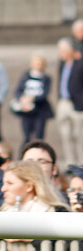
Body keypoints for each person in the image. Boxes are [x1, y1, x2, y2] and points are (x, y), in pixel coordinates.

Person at [12, 54, 53, 143]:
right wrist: (23, 99)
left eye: (40, 63)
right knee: (26, 136)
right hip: (26, 110)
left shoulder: (46, 78)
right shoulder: (25, 75)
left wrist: (33, 98)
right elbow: (18, 90)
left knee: (39, 135)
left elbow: (45, 93)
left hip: (40, 110)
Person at [0, 160, 68, 213]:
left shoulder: (57, 213)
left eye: (10, 183)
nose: (3, 189)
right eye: (4, 183)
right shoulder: (2, 214)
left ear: (29, 186)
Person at [56, 38, 83, 166]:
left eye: (63, 50)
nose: (61, 53)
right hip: (63, 101)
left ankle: (81, 161)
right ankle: (70, 162)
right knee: (65, 134)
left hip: (77, 104)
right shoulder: (62, 64)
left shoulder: (80, 63)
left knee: (79, 135)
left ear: (71, 51)